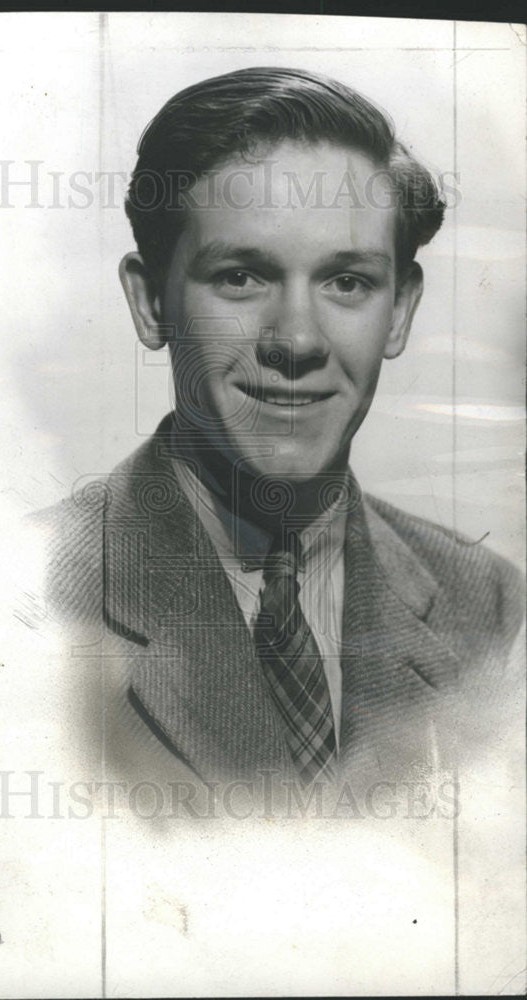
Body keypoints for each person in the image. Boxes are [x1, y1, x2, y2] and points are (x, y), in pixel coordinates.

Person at [36, 67, 524, 798]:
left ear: (398, 312)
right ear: (148, 302)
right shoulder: (18, 595)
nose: (296, 340)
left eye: (347, 282)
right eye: (240, 277)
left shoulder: (486, 606)